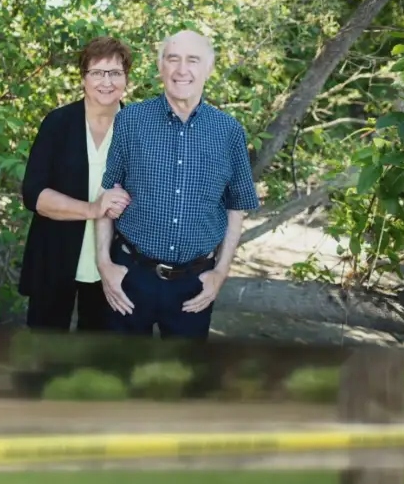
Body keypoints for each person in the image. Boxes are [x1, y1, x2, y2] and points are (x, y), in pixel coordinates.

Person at [94, 29, 260, 339]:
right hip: (131, 278)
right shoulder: (130, 121)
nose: (182, 69)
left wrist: (220, 272)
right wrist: (104, 264)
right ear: (161, 67)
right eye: (173, 59)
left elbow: (237, 207)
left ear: (209, 68)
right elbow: (108, 192)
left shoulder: (230, 132)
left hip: (194, 286)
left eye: (193, 60)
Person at [18, 36, 134, 331]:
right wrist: (93, 209)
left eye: (115, 73)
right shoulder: (58, 123)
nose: (106, 82)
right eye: (97, 72)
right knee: (45, 346)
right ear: (83, 78)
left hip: (114, 264)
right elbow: (34, 194)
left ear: (126, 78)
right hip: (54, 256)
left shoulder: (137, 128)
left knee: (96, 352)